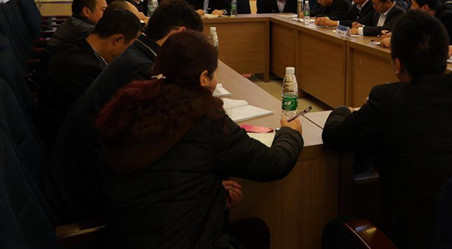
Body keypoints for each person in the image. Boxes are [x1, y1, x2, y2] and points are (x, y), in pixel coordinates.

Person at [95, 30, 303, 249]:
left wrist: (212, 188)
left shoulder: (132, 105)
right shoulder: (205, 118)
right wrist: (290, 133)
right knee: (255, 231)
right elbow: (273, 163)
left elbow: (165, 175)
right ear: (204, 77)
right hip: (183, 241)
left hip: (120, 237)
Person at [322, 10, 452, 249]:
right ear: (445, 55)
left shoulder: (388, 99)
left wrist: (343, 110)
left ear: (397, 65)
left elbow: (333, 137)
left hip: (411, 236)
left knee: (335, 229)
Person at [46, 0, 204, 222]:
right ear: (180, 34)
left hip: (81, 172)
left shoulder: (136, 54)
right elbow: (155, 138)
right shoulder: (144, 69)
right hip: (89, 190)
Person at [38, 7, 142, 148]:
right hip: (69, 146)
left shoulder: (81, 44)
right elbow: (103, 120)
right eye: (130, 47)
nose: (129, 54)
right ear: (117, 39)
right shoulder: (82, 70)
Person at [379, 0, 452, 47]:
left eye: (413, 5)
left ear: (425, 7)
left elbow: (429, 42)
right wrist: (396, 34)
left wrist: (396, 42)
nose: (411, 8)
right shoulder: (421, 15)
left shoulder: (448, 17)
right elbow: (410, 30)